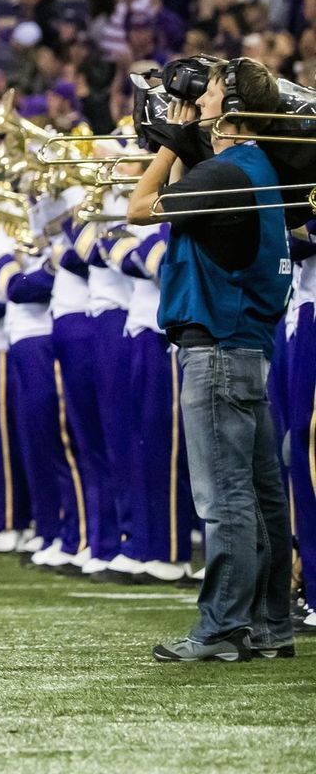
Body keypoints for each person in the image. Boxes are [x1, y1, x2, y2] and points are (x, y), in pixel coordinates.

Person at [127, 57, 296, 660]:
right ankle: (271, 625)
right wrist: (192, 144)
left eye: (211, 93)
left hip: (217, 347)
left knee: (223, 499)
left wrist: (170, 147)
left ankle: (223, 628)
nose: (199, 101)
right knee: (259, 495)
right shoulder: (256, 168)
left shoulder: (228, 173)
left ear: (230, 110)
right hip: (249, 346)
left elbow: (139, 208)